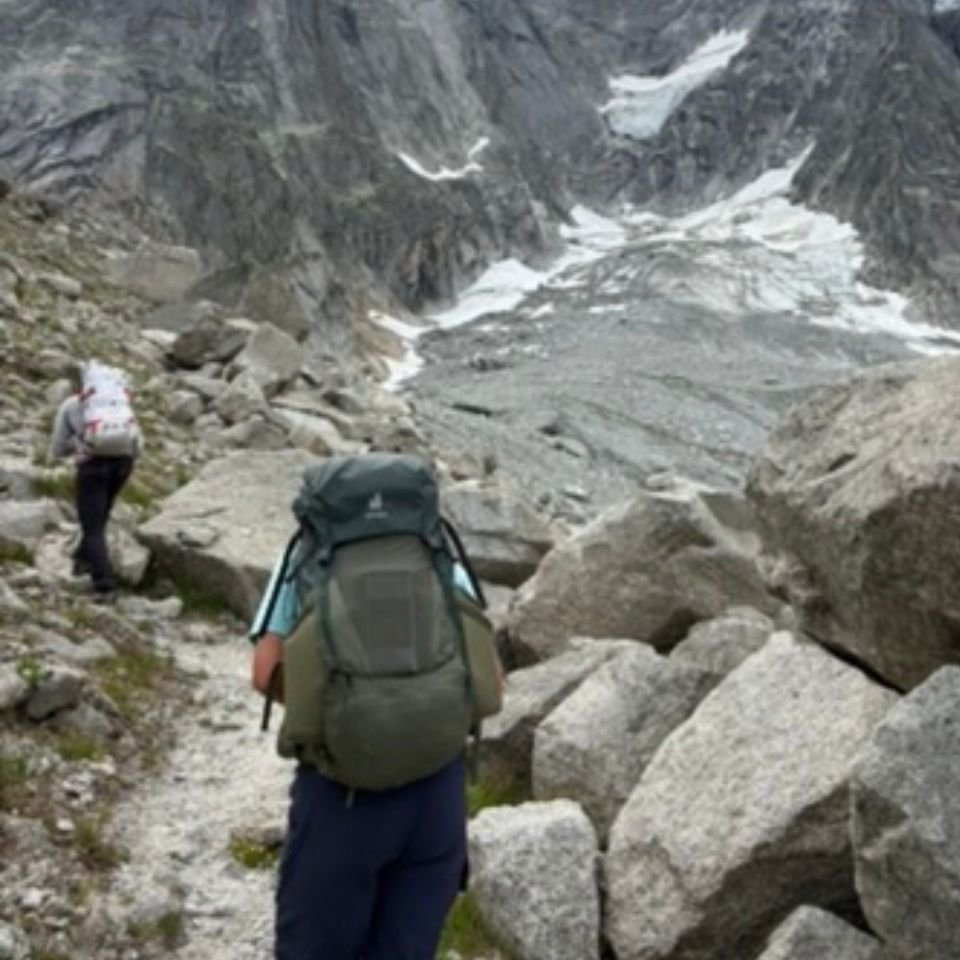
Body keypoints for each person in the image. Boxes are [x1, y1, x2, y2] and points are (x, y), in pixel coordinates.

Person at [248, 459, 488, 960]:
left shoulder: (309, 560)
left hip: (342, 798)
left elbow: (265, 672)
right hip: (437, 795)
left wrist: (346, 703)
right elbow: (487, 681)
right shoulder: (438, 557)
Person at [49, 362, 140, 603]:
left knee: (91, 528)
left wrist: (79, 444)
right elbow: (137, 443)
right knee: (99, 518)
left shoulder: (71, 406)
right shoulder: (119, 405)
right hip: (123, 465)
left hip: (92, 467)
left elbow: (58, 448)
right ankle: (82, 560)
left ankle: (104, 585)